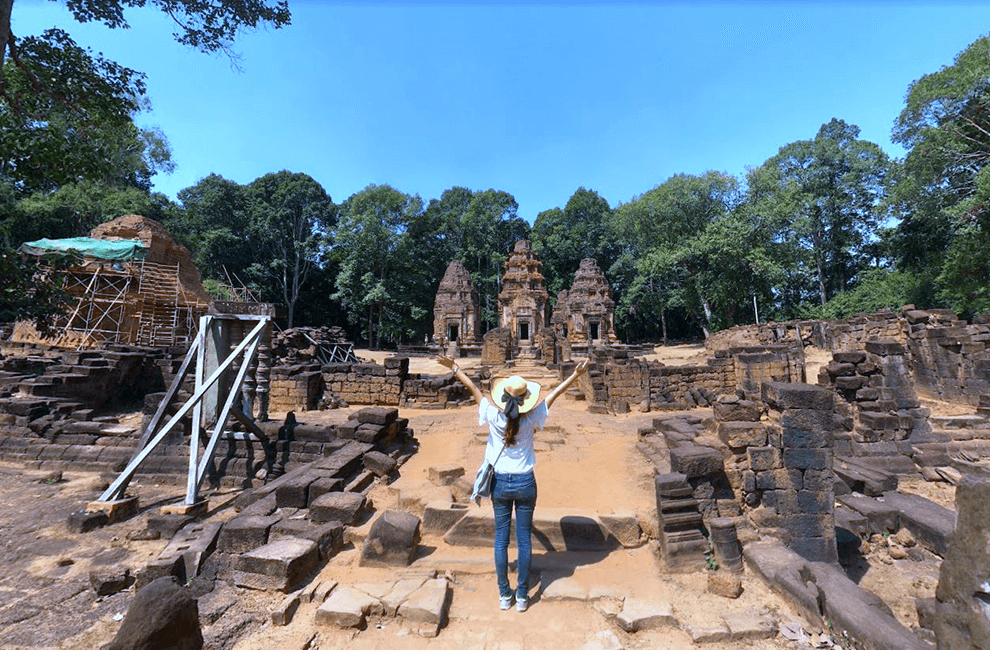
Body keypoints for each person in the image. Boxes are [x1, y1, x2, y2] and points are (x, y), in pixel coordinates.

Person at [437, 355, 589, 612]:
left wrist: (454, 367)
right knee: (525, 540)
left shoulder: (493, 416)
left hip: (499, 484)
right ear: (525, 398)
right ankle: (521, 596)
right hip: (526, 483)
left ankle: (503, 595)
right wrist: (575, 375)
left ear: (503, 397)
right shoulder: (531, 418)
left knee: (500, 541)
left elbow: (473, 389)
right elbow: (555, 395)